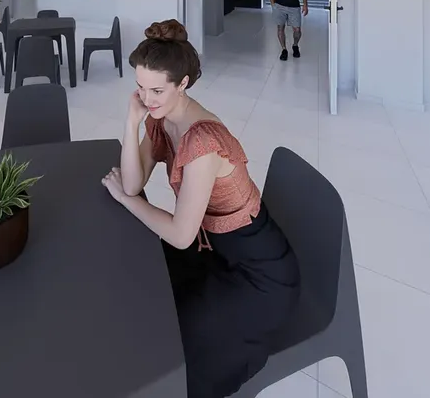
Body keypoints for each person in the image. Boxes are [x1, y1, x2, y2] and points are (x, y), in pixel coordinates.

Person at [102, 20, 300, 398]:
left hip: (259, 276)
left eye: (157, 90)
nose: (147, 98)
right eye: (140, 87)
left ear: (183, 84)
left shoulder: (202, 143)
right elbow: (132, 182)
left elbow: (179, 234)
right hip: (213, 252)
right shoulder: (161, 119)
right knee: (147, 284)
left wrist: (128, 203)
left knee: (189, 344)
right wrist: (131, 122)